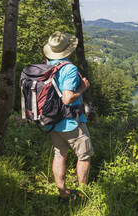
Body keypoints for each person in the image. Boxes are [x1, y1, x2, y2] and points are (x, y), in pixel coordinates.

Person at [43, 31, 94, 201]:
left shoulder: (48, 65)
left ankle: (62, 193)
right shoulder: (69, 68)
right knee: (84, 156)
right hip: (71, 122)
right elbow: (67, 98)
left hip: (52, 120)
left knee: (59, 155)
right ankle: (82, 193)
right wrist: (82, 88)